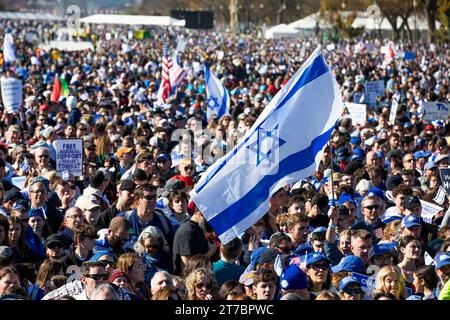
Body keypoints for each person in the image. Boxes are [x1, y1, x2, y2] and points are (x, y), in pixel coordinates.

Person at [172, 206, 218, 276]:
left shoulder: (197, 228)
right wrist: (210, 252)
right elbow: (188, 263)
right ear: (200, 214)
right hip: (190, 280)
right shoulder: (188, 232)